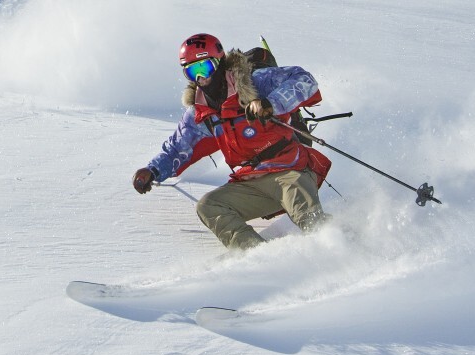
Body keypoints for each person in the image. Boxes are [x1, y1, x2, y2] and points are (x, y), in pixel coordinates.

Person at [132, 33, 332, 251]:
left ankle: (342, 248)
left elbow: (304, 79)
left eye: (205, 68)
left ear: (219, 62)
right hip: (250, 183)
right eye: (192, 71)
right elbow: (177, 147)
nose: (201, 78)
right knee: (209, 206)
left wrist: (270, 103)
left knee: (308, 219)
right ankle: (259, 256)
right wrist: (153, 170)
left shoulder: (255, 83)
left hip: (290, 171)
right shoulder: (201, 113)